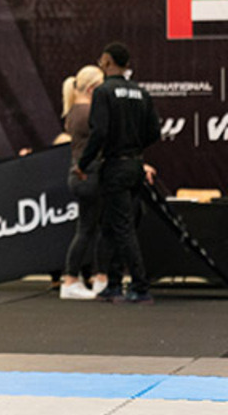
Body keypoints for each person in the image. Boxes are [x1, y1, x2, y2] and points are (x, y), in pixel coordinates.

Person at [74, 42, 161, 304]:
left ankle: (140, 286)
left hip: (114, 166)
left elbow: (99, 131)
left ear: (109, 61)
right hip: (135, 165)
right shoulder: (140, 92)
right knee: (113, 225)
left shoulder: (104, 92)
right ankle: (113, 283)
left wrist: (83, 162)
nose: (100, 61)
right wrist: (134, 149)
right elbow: (154, 132)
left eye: (102, 58)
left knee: (122, 227)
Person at [59, 65, 107, 300]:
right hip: (88, 175)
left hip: (82, 174)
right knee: (88, 229)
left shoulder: (73, 112)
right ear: (91, 88)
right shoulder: (87, 113)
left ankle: (97, 277)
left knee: (91, 228)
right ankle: (71, 279)